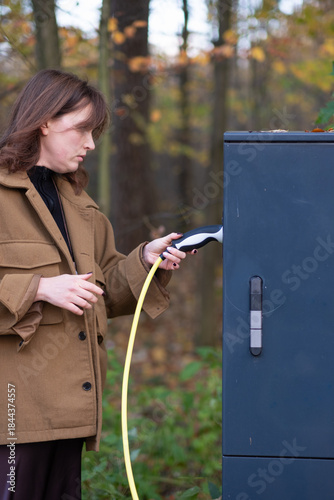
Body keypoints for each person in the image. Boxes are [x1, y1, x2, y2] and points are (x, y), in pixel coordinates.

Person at [0, 69, 194, 500]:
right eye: (81, 130)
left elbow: (104, 290)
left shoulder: (81, 205)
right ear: (44, 121)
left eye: (94, 132)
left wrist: (145, 260)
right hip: (13, 416)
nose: (90, 144)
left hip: (69, 411)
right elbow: (44, 288)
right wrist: (39, 288)